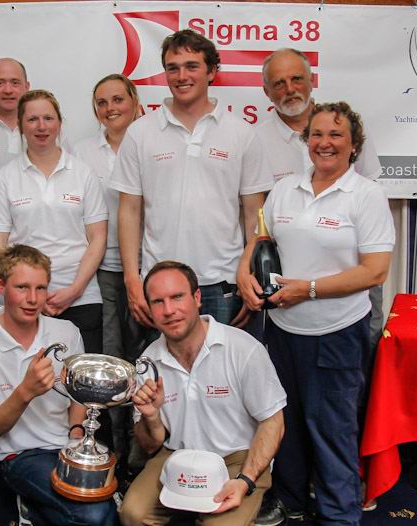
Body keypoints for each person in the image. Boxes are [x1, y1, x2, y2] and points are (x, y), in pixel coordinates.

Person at [238, 102, 395, 526]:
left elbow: (375, 270)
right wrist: (242, 275)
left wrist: (306, 289)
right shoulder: (287, 188)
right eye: (317, 134)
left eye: (336, 134)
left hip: (337, 333)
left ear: (354, 144)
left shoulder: (367, 195)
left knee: (331, 431)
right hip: (283, 332)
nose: (325, 142)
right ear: (306, 141)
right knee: (284, 423)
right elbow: (259, 237)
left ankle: (338, 515)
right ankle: (290, 500)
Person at [110, 29, 273, 331]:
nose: (181, 75)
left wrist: (249, 277)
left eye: (191, 66)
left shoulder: (241, 133)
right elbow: (129, 210)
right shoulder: (141, 132)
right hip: (159, 285)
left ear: (212, 72)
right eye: (173, 67)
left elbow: (255, 213)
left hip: (224, 284)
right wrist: (132, 279)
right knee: (160, 376)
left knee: (223, 377)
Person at [0, 244, 119, 526]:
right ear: (1, 286)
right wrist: (26, 391)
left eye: (41, 288)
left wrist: (77, 436)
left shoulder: (66, 331)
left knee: (107, 510)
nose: (32, 299)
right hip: (22, 455)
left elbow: (77, 399)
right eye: (22, 288)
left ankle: (33, 508)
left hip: (68, 444)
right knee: (95, 514)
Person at [119, 261, 287, 526]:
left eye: (177, 297)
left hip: (236, 459)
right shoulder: (148, 361)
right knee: (132, 514)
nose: (170, 310)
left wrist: (244, 481)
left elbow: (273, 422)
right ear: (149, 309)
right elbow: (151, 445)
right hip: (176, 455)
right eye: (158, 302)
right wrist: (150, 417)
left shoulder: (242, 349)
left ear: (197, 298)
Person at [257, 48, 385, 352]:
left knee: (359, 362)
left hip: (352, 286)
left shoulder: (346, 130)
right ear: (266, 91)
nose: (289, 89)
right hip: (288, 298)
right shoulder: (256, 141)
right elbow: (258, 218)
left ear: (312, 80)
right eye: (279, 83)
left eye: (296, 79)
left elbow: (370, 193)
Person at [0, 89, 108, 354]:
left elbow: (97, 238)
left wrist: (74, 290)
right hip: (20, 302)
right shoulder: (4, 177)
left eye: (48, 118)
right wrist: (26, 293)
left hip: (80, 298)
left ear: (59, 123)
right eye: (32, 120)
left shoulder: (83, 173)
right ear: (20, 125)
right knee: (22, 384)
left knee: (80, 385)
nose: (41, 127)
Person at [73, 74, 147, 478]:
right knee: (111, 364)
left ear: (136, 100)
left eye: (118, 99)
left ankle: (143, 452)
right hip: (102, 271)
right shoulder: (82, 153)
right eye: (101, 102)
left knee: (146, 361)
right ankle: (113, 450)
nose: (110, 108)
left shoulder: (152, 141)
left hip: (146, 269)